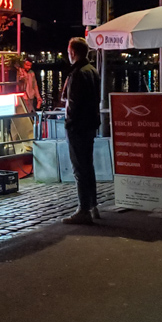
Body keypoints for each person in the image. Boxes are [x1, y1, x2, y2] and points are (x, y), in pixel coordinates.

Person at [61, 37, 101, 225]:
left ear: (73, 52)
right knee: (88, 166)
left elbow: (74, 104)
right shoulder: (92, 70)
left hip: (78, 127)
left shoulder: (77, 73)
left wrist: (68, 123)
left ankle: (83, 209)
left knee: (80, 168)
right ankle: (92, 206)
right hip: (90, 124)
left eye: (69, 51)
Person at [15, 58, 42, 151]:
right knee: (25, 118)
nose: (28, 67)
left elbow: (35, 85)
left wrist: (38, 97)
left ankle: (32, 137)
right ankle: (25, 138)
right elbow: (19, 84)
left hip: (31, 97)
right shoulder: (20, 72)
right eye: (27, 65)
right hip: (24, 97)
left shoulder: (32, 73)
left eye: (30, 65)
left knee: (31, 116)